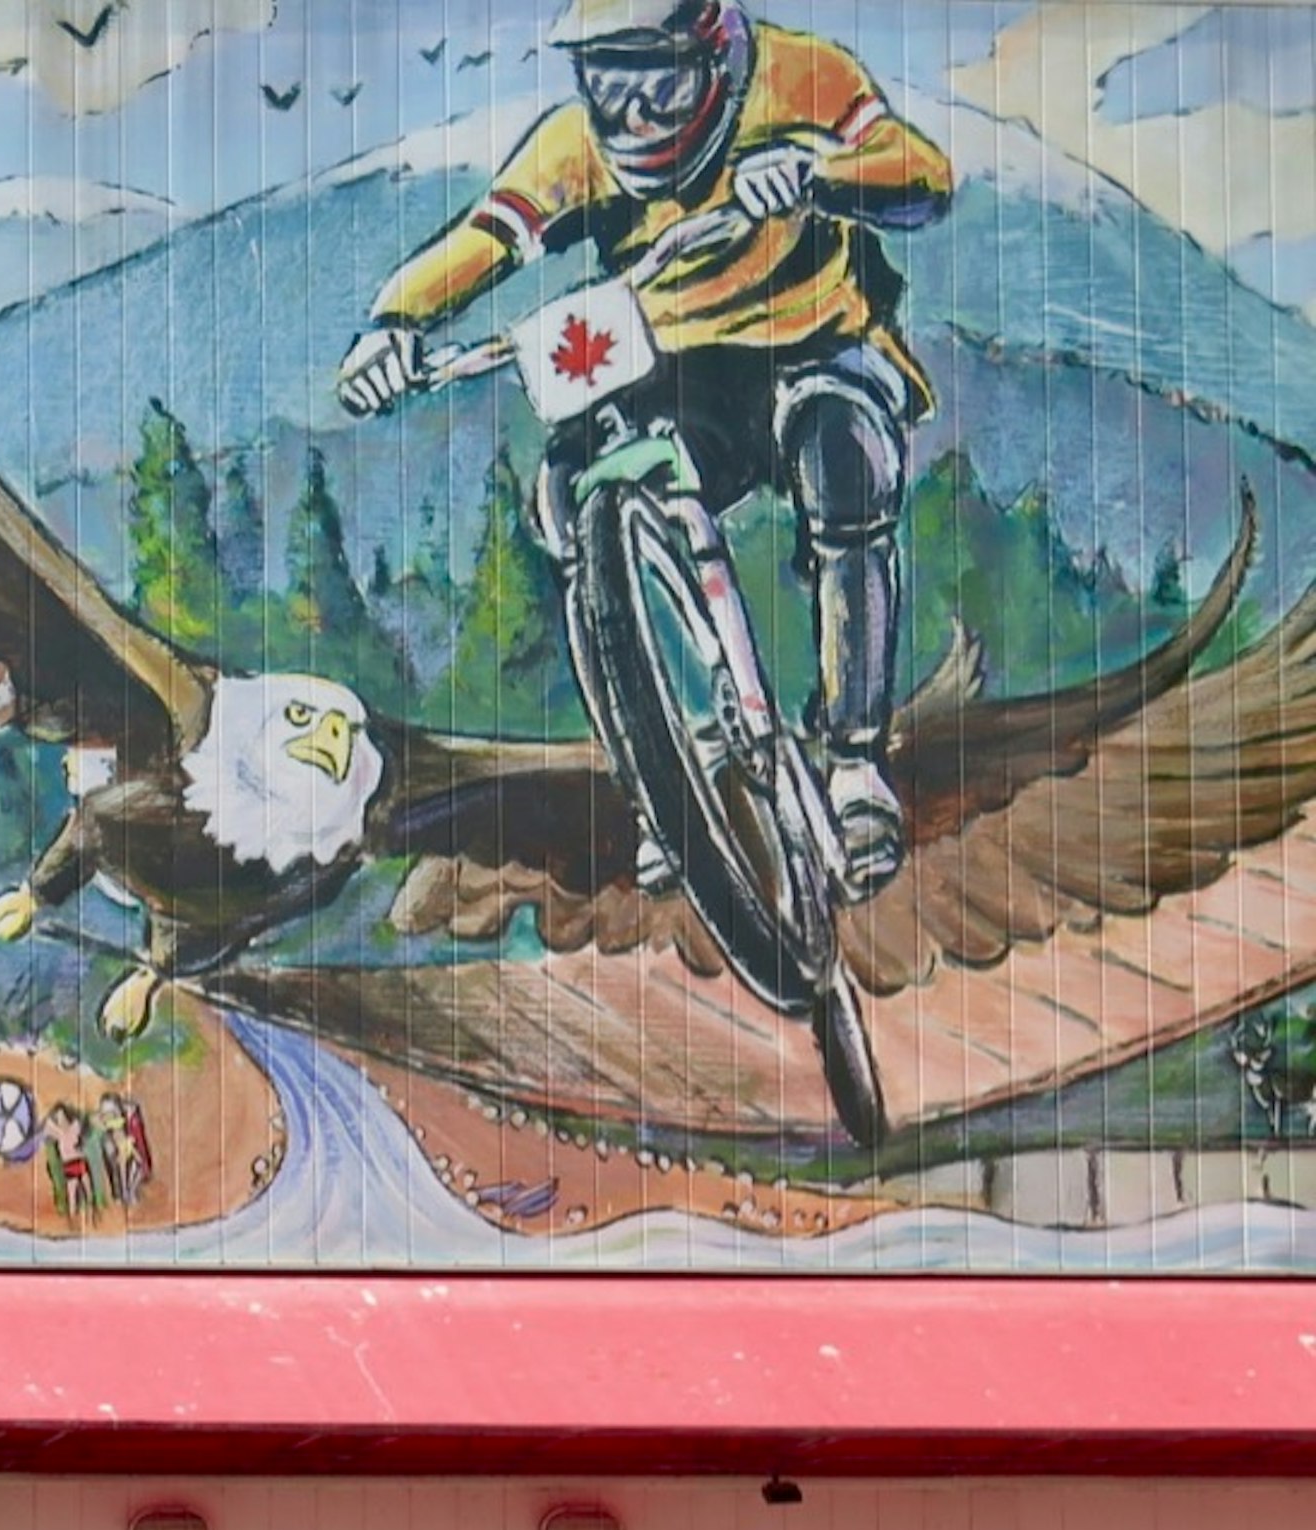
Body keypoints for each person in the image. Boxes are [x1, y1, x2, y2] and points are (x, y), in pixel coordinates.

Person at [335, 0, 951, 896]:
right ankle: (669, 772)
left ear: (716, 55)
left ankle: (854, 760)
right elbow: (489, 236)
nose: (633, 119)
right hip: (681, 372)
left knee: (845, 452)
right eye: (607, 87)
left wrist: (818, 171)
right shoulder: (573, 149)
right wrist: (395, 324)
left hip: (814, 340)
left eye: (657, 88)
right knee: (572, 495)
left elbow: (920, 171)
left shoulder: (806, 77)